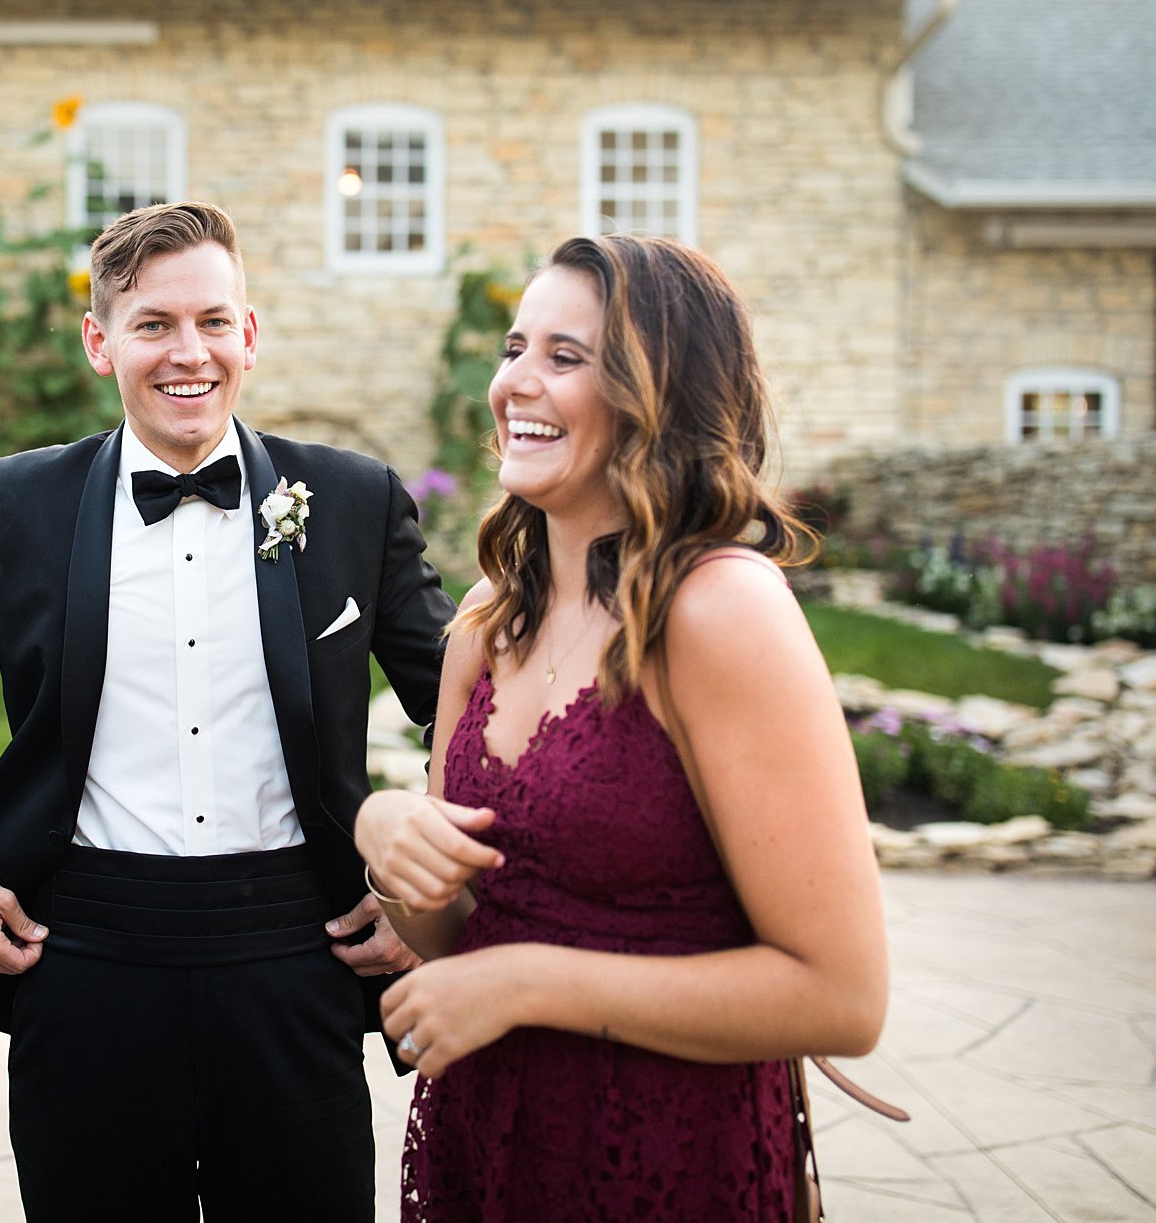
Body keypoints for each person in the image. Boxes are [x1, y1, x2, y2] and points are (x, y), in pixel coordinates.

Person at [0, 200, 459, 1221]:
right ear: (100, 342)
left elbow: (468, 712)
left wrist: (432, 908)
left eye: (212, 322)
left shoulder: (353, 502)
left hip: (293, 952)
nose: (188, 353)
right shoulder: (15, 506)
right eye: (152, 325)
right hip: (84, 957)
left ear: (248, 335)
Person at [355, 234, 889, 1221]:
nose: (515, 381)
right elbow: (455, 937)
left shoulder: (720, 612)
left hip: (666, 1153)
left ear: (661, 396)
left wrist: (526, 984)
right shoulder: (484, 621)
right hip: (493, 1142)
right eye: (514, 347)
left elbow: (840, 997)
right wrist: (386, 844)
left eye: (565, 357)